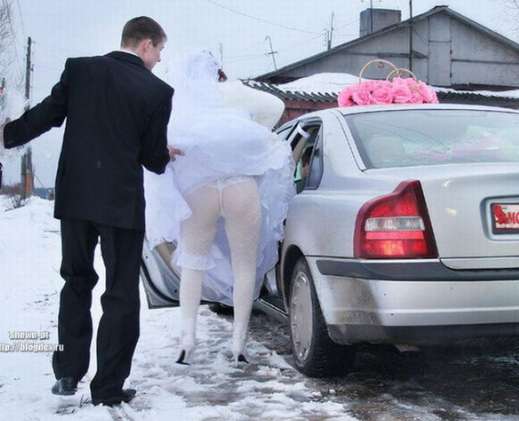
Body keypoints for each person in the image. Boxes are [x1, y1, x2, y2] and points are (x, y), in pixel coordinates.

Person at [0, 17, 181, 406]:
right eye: (160, 51)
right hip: (122, 205)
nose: (159, 60)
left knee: (76, 281)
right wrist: (165, 154)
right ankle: (108, 387)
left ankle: (67, 373)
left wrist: (7, 135)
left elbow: (46, 115)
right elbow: (153, 160)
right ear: (146, 45)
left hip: (76, 199)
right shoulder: (157, 91)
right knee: (120, 293)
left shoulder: (79, 70)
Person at [144, 51, 295, 365]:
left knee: (192, 263)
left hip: (199, 190)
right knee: (245, 266)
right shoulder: (235, 93)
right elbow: (276, 106)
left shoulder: (178, 100)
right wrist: (255, 127)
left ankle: (187, 340)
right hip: (241, 185)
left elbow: (159, 139)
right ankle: (238, 344)